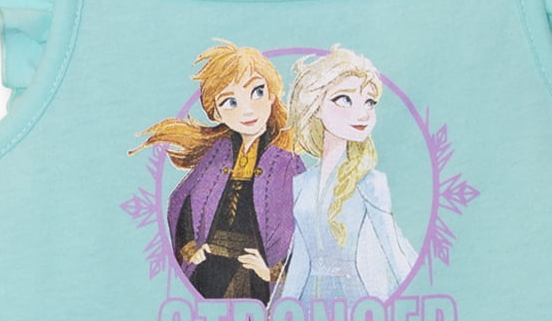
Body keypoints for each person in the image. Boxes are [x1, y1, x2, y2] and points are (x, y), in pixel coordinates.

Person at [136, 40, 302, 303]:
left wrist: (272, 271)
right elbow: (181, 200)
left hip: (254, 277)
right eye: (230, 102)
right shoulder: (218, 153)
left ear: (272, 94)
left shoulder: (287, 163)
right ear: (217, 113)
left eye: (257, 92)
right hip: (210, 270)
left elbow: (305, 228)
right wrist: (190, 248)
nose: (247, 109)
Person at [283, 45, 416, 301]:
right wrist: (282, 308)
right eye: (344, 99)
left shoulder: (371, 182)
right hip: (309, 299)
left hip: (355, 298)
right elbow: (300, 259)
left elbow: (394, 252)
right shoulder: (302, 183)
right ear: (315, 106)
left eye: (369, 102)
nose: (363, 113)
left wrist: (413, 299)